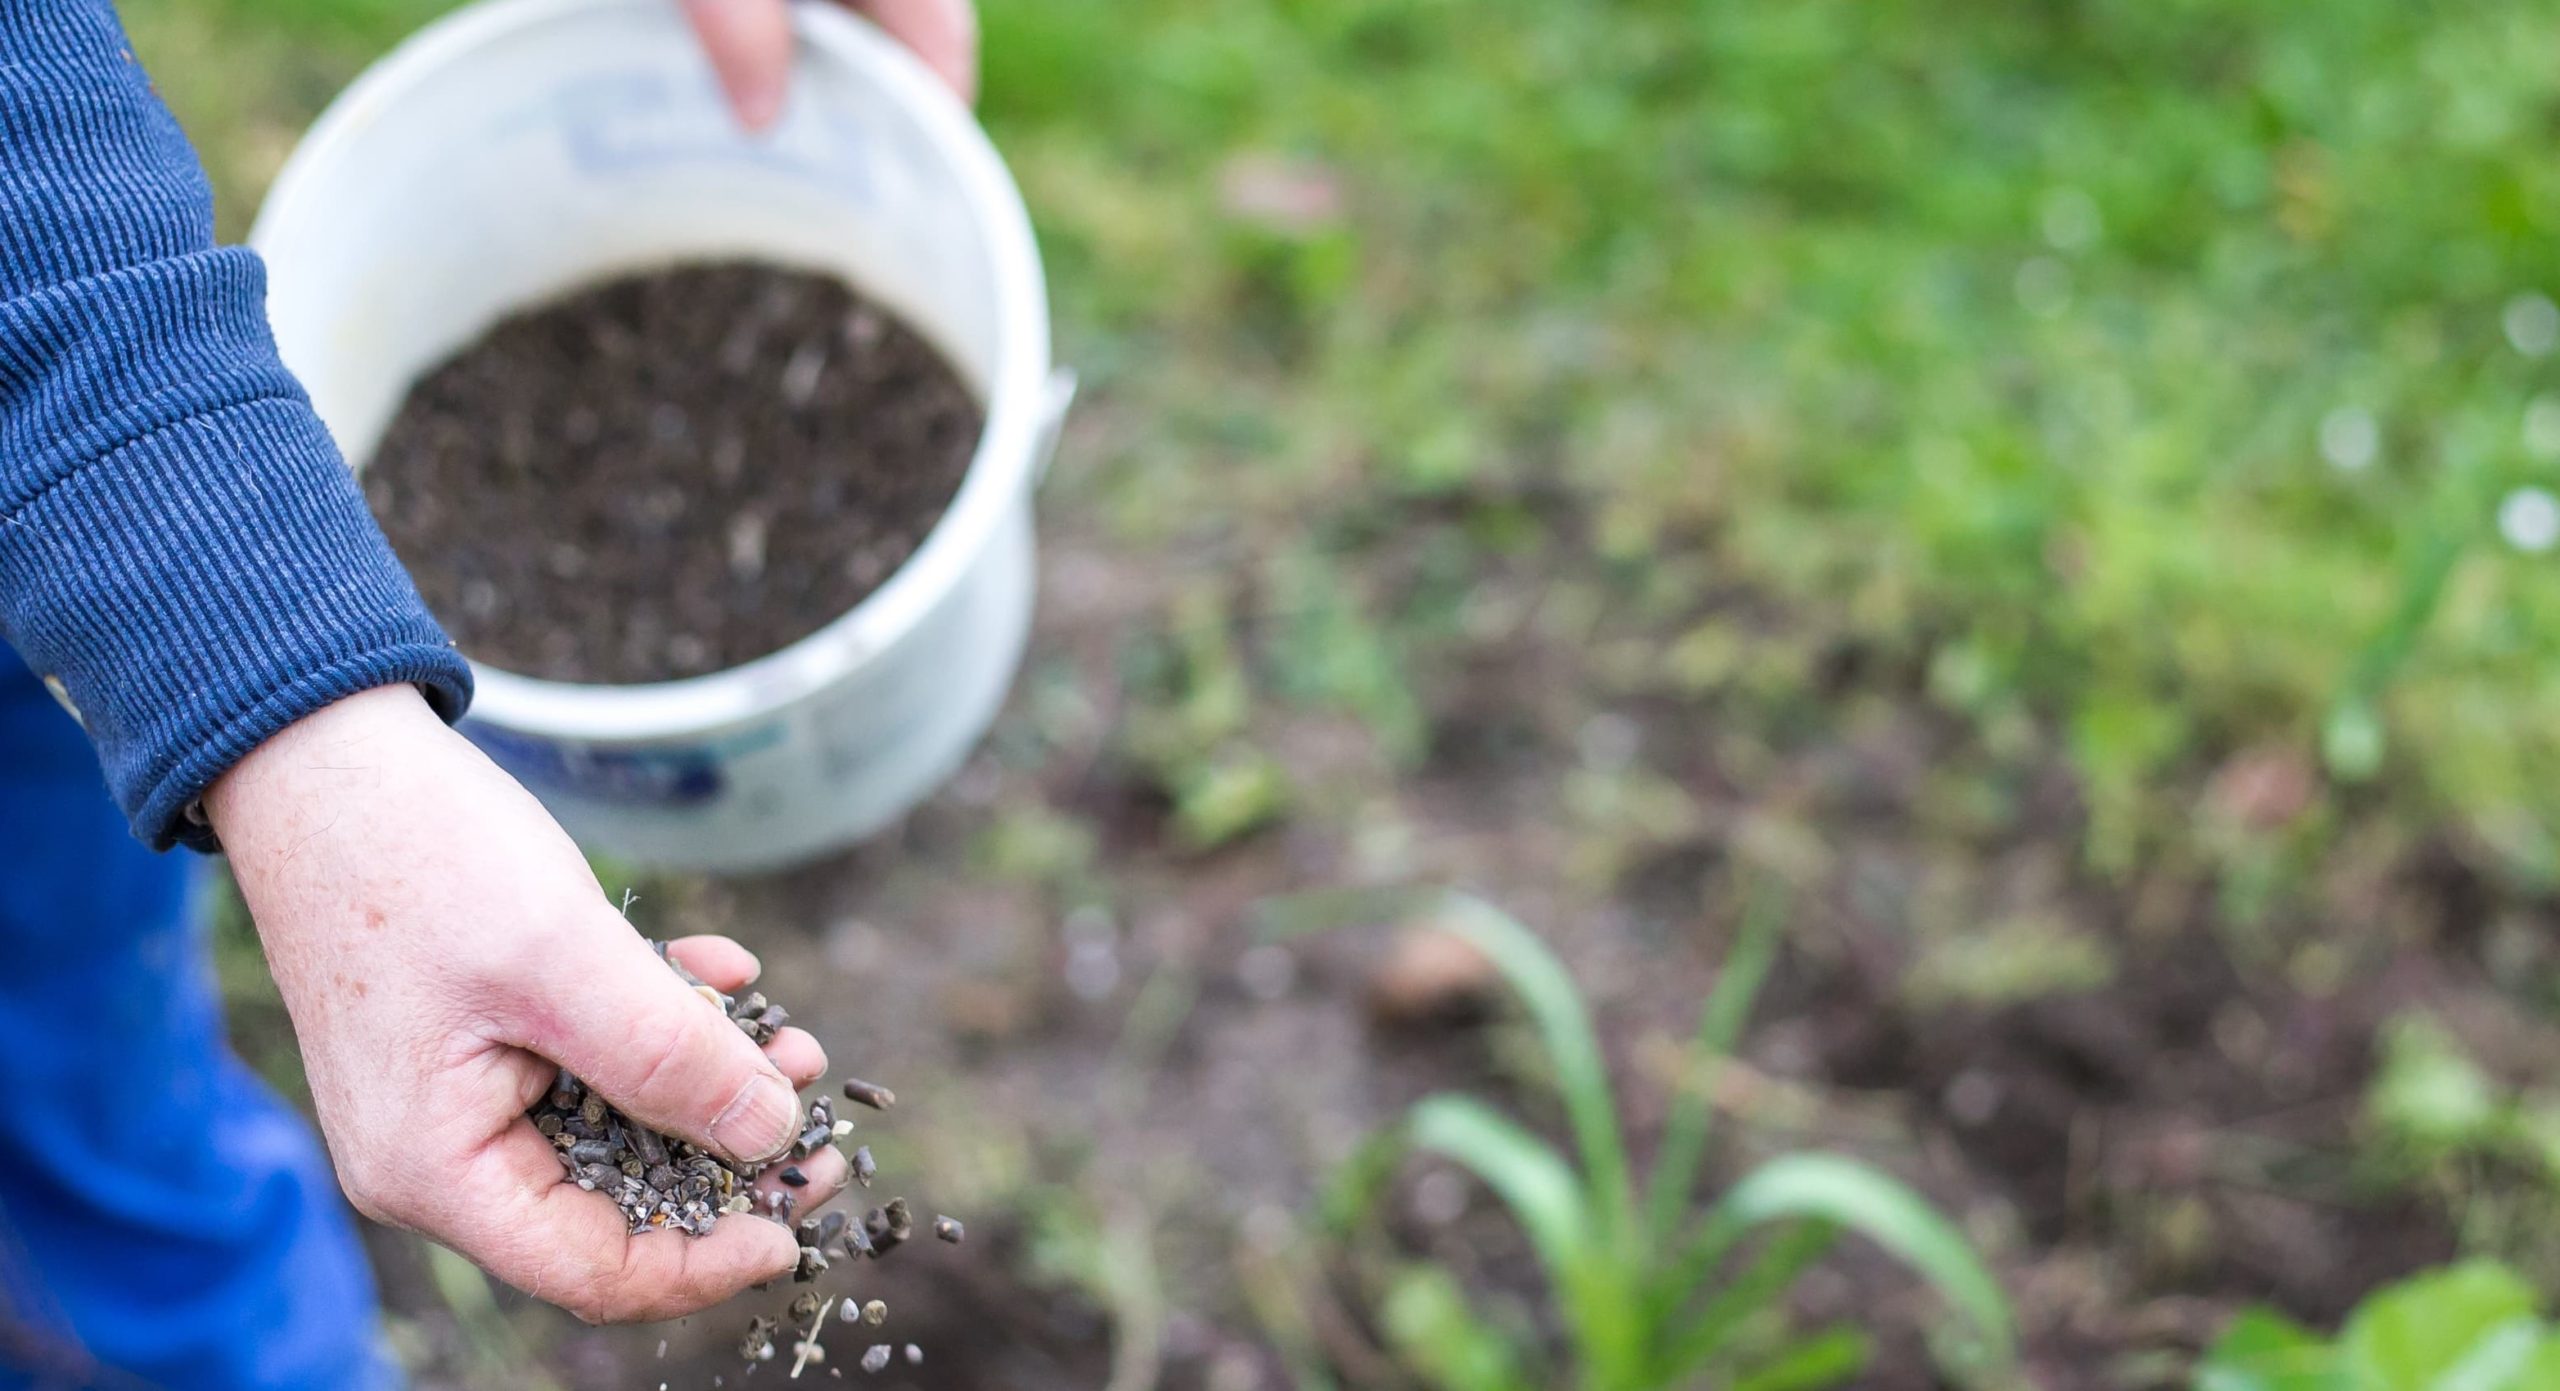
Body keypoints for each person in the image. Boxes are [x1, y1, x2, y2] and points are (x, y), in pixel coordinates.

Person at [0, 0, 976, 1385]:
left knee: (81, 1024)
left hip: (45, 474)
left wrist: (254, 702)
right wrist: (288, 716)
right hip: (56, 379)